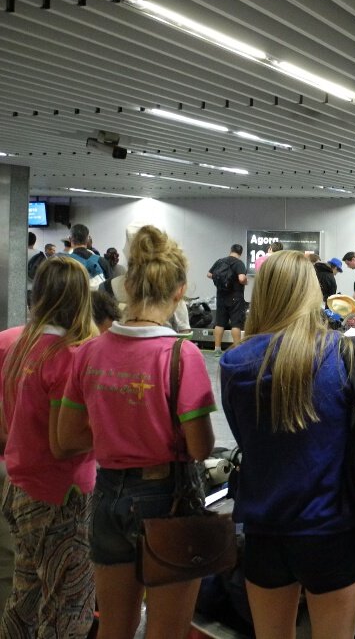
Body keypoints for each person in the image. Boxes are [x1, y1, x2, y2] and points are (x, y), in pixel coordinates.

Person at [220, 250, 355, 639]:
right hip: (331, 531)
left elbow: (242, 437)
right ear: (311, 294)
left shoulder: (234, 363)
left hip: (264, 531)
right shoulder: (341, 352)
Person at [58, 224, 217, 639]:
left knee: (114, 627)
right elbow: (200, 447)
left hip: (107, 494)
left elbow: (68, 438)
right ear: (180, 290)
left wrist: (117, 432)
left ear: (127, 284)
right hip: (168, 498)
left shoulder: (90, 351)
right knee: (167, 630)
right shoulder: (183, 356)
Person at [0, 256, 98, 637]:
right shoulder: (69, 358)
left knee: (25, 599)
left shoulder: (20, 346)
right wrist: (114, 433)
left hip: (19, 487)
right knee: (68, 607)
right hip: (61, 497)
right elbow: (64, 442)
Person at [208, 243, 248, 356]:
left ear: (230, 250)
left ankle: (217, 349)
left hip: (221, 296)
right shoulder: (239, 263)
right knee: (236, 324)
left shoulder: (220, 261)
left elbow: (209, 274)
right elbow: (241, 278)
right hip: (235, 297)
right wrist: (245, 281)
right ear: (241, 253)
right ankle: (236, 349)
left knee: (220, 323)